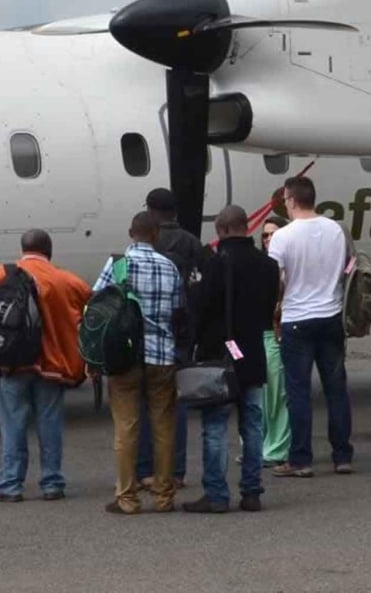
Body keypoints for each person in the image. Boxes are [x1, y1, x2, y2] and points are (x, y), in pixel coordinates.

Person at [0, 229, 93, 502]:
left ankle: (11, 485)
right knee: (49, 425)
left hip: (13, 363)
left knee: (13, 424)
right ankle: (52, 483)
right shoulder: (66, 280)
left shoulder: (1, 275)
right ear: (48, 251)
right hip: (52, 366)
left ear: (22, 249)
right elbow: (91, 302)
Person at [182, 206, 279, 513]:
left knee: (215, 426)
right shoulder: (268, 265)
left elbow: (198, 308)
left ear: (221, 230)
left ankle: (216, 494)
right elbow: (267, 311)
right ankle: (252, 492)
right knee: (251, 425)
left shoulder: (214, 265)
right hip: (251, 351)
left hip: (219, 355)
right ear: (247, 227)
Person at [95, 212, 187, 514]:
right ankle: (164, 495)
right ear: (156, 234)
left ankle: (127, 497)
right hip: (162, 355)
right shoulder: (169, 266)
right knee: (163, 426)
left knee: (126, 426)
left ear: (131, 233)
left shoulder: (118, 265)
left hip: (126, 356)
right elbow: (178, 308)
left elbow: (97, 305)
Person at [268, 175, 355, 477]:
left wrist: (276, 309)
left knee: (298, 392)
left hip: (296, 320)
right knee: (336, 390)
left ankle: (301, 459)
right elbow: (348, 267)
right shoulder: (336, 230)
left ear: (290, 200)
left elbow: (277, 280)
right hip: (331, 316)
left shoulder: (283, 236)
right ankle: (342, 455)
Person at [136, 187, 208, 491]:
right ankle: (176, 471)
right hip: (179, 334)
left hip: (143, 337)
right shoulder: (191, 242)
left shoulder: (146, 245)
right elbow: (203, 284)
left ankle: (144, 469)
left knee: (142, 405)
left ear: (152, 212)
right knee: (175, 404)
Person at [257, 216, 292, 467]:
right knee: (261, 395)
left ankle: (278, 448)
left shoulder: (287, 268)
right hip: (259, 334)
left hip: (277, 334)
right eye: (265, 235)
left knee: (277, 396)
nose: (268, 239)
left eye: (273, 234)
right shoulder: (261, 265)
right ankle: (261, 444)